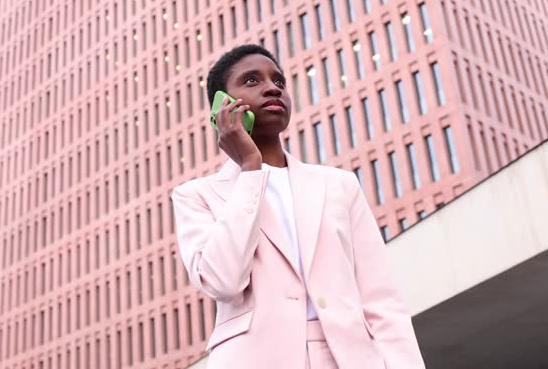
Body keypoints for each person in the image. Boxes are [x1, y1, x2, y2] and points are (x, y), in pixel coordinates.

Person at [172, 44, 425, 368]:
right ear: (221, 107)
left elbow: (381, 300)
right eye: (251, 81)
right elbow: (224, 281)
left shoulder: (339, 185)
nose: (271, 87)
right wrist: (250, 166)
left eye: (278, 80)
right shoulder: (196, 196)